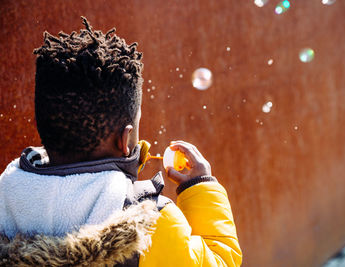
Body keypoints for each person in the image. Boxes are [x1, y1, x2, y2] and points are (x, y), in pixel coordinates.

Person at [0, 17, 242, 266]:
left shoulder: (5, 199)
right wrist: (201, 187)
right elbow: (221, 259)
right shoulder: (151, 225)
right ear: (125, 139)